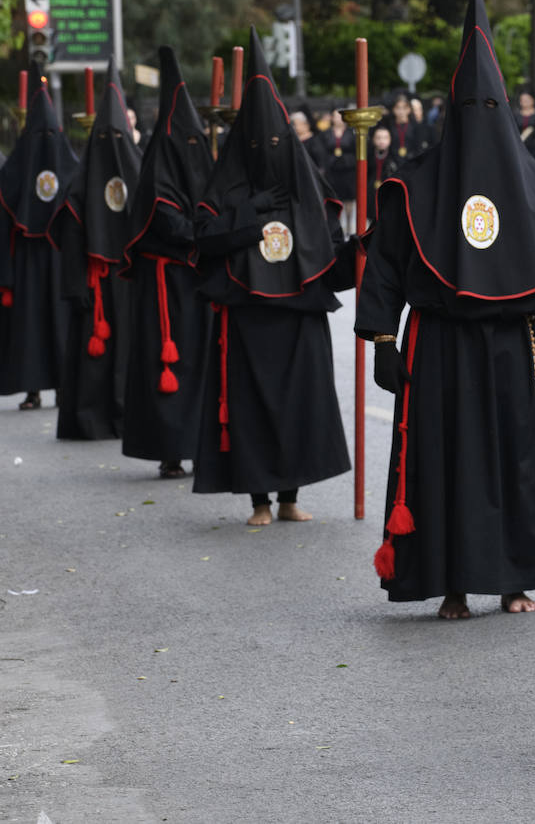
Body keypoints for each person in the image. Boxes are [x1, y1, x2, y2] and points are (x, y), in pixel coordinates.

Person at [358, 0, 535, 620]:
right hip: (441, 344)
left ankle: (516, 580)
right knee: (446, 462)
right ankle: (450, 582)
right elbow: (388, 265)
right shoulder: (411, 189)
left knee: (518, 461)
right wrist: (383, 339)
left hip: (516, 343)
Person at [192, 28, 356, 526]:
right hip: (248, 314)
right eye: (259, 142)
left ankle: (289, 497)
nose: (269, 149)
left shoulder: (308, 188)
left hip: (299, 312)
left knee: (300, 404)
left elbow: (330, 253)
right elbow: (205, 238)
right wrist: (249, 217)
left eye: (277, 141)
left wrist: (366, 248)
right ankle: (259, 499)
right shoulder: (227, 183)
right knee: (251, 406)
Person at [118, 46, 213, 479]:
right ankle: (169, 449)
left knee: (203, 366)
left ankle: (201, 443)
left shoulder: (202, 170)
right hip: (165, 290)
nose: (194, 151)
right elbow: (174, 225)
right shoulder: (158, 177)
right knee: (167, 365)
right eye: (187, 143)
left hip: (198, 285)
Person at [48, 58, 142, 440]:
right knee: (94, 358)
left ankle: (128, 417)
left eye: (117, 139)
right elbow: (70, 236)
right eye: (104, 139)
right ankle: (90, 419)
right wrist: (75, 286)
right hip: (95, 284)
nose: (111, 147)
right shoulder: (78, 186)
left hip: (130, 282)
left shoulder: (140, 176)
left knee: (128, 357)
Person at [0, 65, 76, 410]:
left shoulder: (71, 170)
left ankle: (63, 386)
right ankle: (33, 389)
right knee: (31, 325)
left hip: (58, 256)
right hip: (29, 258)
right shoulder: (14, 171)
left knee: (60, 322)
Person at [312, 109, 359, 235]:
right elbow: (321, 151)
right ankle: (335, 224)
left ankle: (349, 224)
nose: (338, 119)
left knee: (349, 199)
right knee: (334, 197)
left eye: (340, 116)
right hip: (332, 169)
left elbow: (356, 150)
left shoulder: (352, 133)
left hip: (348, 169)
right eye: (335, 116)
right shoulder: (326, 134)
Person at [387, 91, 431, 162]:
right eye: (398, 108)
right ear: (393, 109)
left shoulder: (416, 126)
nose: (401, 111)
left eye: (404, 108)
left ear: (409, 109)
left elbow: (419, 147)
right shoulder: (389, 126)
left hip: (411, 161)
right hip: (393, 161)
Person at [515, 91, 535, 163]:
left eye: (527, 100)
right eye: (522, 100)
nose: (524, 102)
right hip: (520, 146)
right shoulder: (516, 115)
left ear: (532, 100)